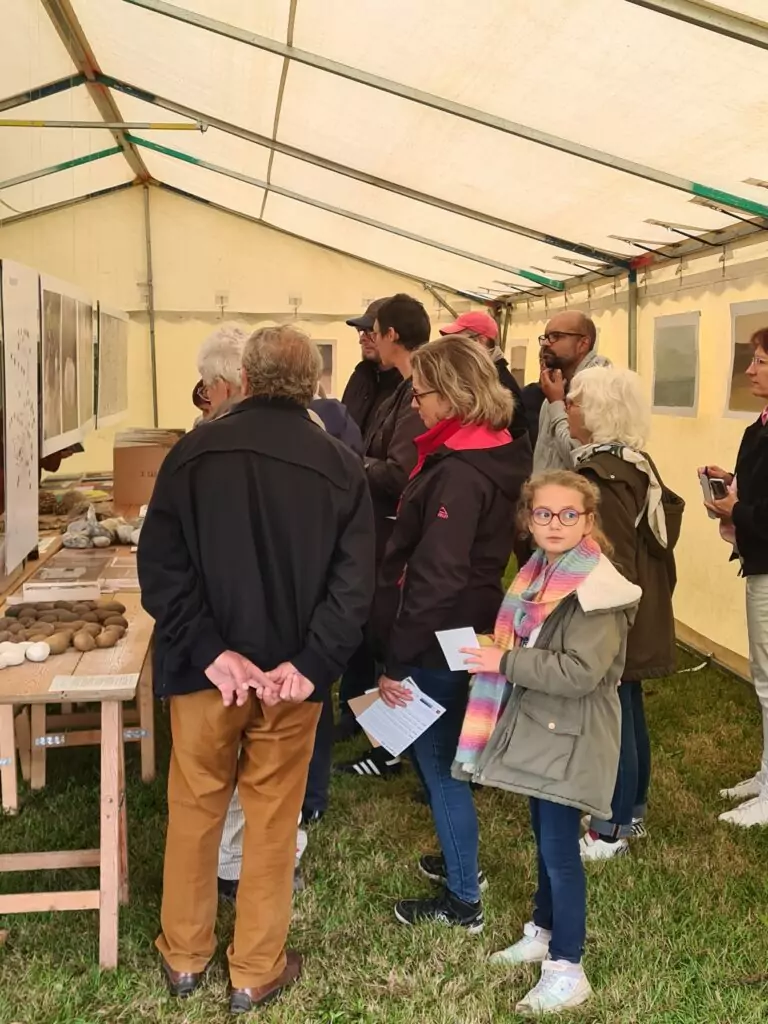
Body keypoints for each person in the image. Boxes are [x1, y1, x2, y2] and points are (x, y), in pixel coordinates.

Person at [137, 325, 375, 1013]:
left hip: (205, 675)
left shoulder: (192, 453)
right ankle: (255, 970)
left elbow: (160, 569)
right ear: (313, 385)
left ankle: (185, 955)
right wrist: (311, 662)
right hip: (287, 683)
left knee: (195, 809)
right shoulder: (341, 466)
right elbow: (353, 586)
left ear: (243, 377)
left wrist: (212, 652)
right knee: (272, 820)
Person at [459, 471, 640, 1015]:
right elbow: (535, 642)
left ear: (588, 521)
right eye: (543, 513)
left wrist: (505, 661)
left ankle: (567, 968)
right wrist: (501, 650)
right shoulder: (540, 574)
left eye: (568, 514)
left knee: (561, 853)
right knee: (545, 837)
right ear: (528, 519)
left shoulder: (597, 589)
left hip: (574, 734)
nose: (555, 524)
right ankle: (543, 929)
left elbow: (580, 672)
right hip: (545, 728)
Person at [371, 334, 532, 930]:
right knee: (443, 758)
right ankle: (460, 861)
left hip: (442, 630)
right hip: (468, 620)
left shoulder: (460, 474)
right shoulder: (490, 453)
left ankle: (464, 901)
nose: (414, 404)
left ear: (455, 395)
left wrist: (397, 656)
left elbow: (437, 576)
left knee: (440, 763)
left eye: (421, 394)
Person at [563, 367, 681, 859]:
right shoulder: (634, 463)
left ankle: (611, 828)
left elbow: (610, 562)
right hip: (641, 606)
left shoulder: (602, 475)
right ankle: (631, 811)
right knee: (627, 708)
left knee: (612, 717)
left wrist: (598, 627)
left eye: (573, 401)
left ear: (596, 412)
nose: (567, 409)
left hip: (617, 612)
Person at [336, 294, 431, 769]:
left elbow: (400, 471)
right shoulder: (395, 387)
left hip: (396, 529)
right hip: (382, 526)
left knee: (391, 633)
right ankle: (381, 734)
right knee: (376, 629)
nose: (366, 337)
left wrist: (353, 462)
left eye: (373, 330)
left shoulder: (414, 391)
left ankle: (394, 745)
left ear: (392, 334)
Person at [705, 327, 768, 827]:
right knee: (763, 677)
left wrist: (737, 509)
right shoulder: (758, 427)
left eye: (761, 361)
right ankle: (766, 775)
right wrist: (730, 488)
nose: (749, 370)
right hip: (758, 560)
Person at [533, 311, 610, 473]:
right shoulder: (555, 389)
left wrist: (556, 404)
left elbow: (580, 460)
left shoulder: (599, 390)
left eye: (556, 336)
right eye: (545, 337)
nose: (546, 343)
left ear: (583, 344)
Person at [439, 310, 528, 438]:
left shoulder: (500, 383)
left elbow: (515, 437)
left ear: (480, 341)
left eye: (458, 342)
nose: (452, 350)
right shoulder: (478, 376)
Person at [341, 298, 401, 434]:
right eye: (361, 331)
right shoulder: (360, 376)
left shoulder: (410, 387)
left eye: (370, 331)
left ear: (391, 335)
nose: (362, 339)